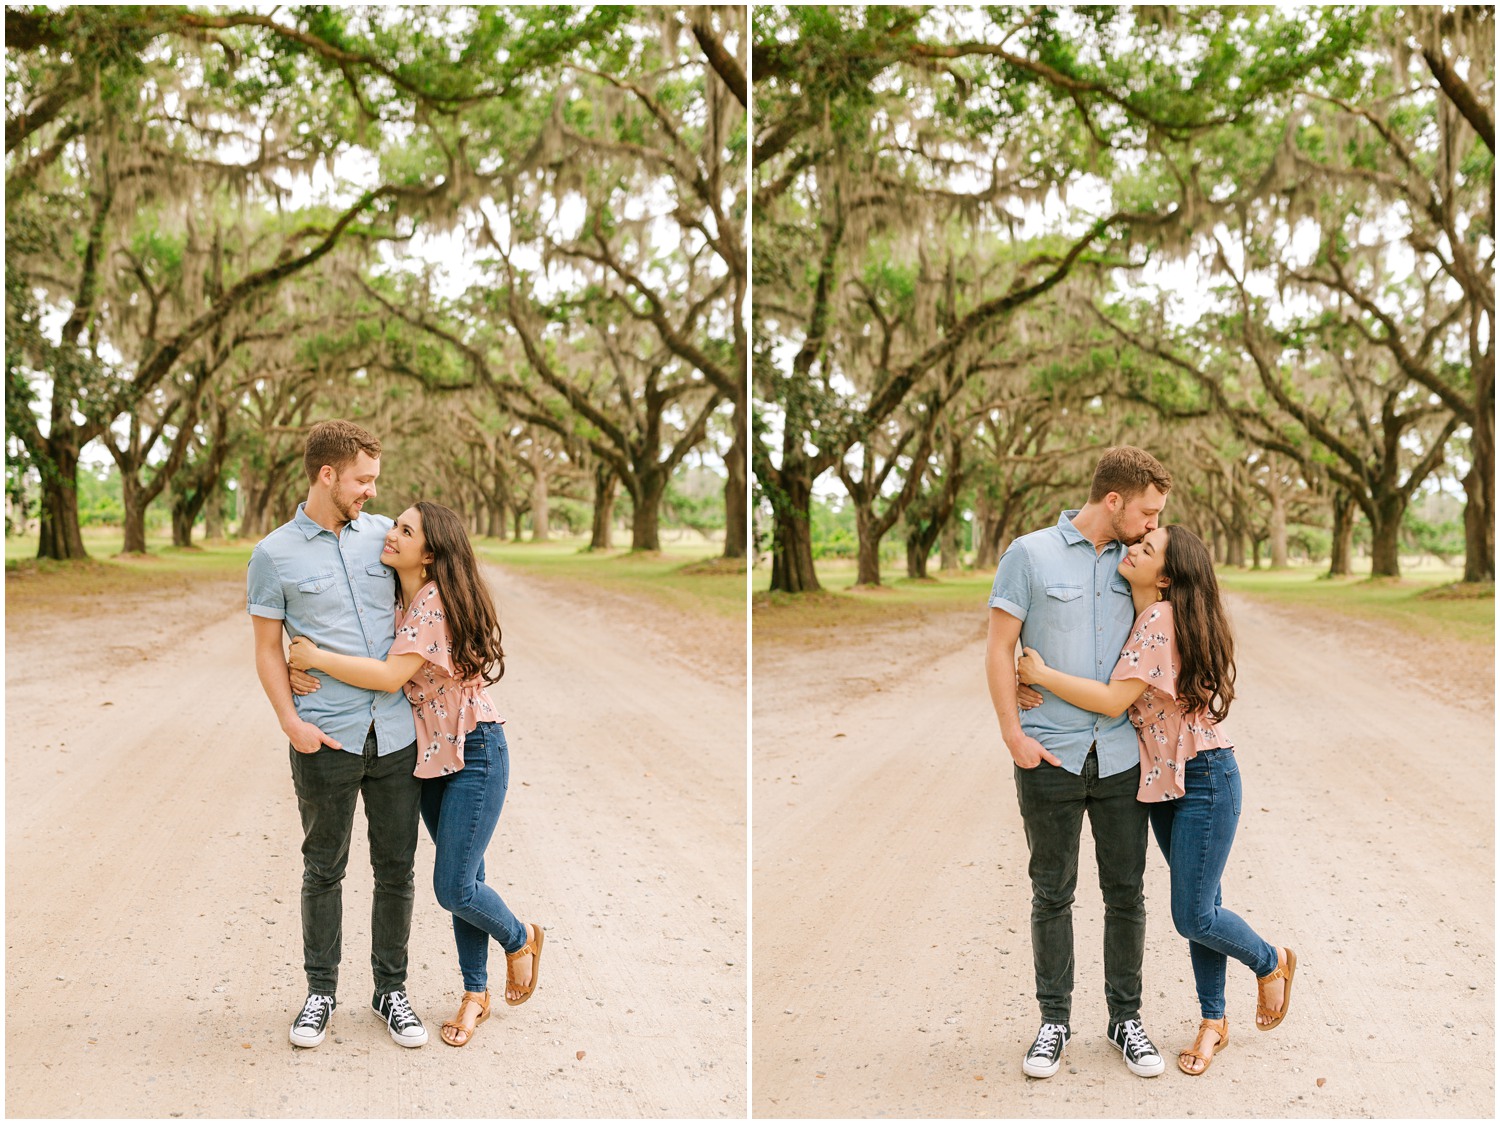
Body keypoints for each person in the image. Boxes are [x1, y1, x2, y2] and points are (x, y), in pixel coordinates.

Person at [1017, 524, 1295, 1076]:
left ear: (1165, 578)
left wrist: (1042, 675)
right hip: (1167, 780)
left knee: (1193, 913)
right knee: (1203, 905)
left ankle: (1271, 961)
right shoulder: (1142, 614)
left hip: (1205, 778)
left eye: (1146, 549)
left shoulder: (1160, 621)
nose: (1133, 549)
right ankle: (1214, 1022)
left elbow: (1115, 699)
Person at [288, 500, 542, 1049]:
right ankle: (476, 993)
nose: (392, 533)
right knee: (466, 877)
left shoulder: (431, 601)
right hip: (429, 754)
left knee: (452, 885)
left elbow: (386, 676)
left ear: (428, 554)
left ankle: (520, 939)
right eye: (395, 524)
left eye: (406, 530)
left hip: (474, 749)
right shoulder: (397, 594)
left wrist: (314, 658)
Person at [984, 445, 1173, 1080]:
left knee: (1127, 893)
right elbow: (998, 647)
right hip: (1051, 754)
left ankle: (1126, 1019)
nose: (1152, 527)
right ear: (1113, 501)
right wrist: (1013, 732)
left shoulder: (1137, 566)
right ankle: (1053, 1022)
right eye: (1146, 513)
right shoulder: (1028, 554)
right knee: (1051, 892)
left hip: (1121, 754)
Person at [247, 419, 429, 1049]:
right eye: (363, 480)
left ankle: (391, 991)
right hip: (326, 737)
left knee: (397, 868)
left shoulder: (386, 539)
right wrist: (290, 722)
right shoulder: (273, 554)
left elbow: (427, 613)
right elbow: (268, 649)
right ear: (328, 475)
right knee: (323, 868)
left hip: (397, 732)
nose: (372, 492)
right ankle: (319, 994)